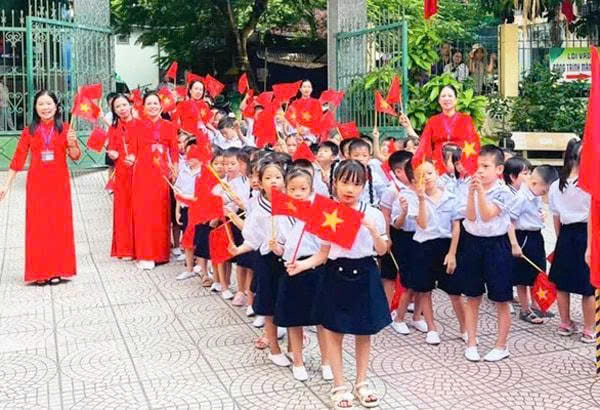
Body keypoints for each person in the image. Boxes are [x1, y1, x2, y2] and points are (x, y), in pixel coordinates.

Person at [287, 160, 391, 409]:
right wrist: (302, 265)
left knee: (364, 331)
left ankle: (362, 382)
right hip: (335, 273)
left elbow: (382, 250)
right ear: (334, 183)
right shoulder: (328, 212)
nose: (350, 189)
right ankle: (339, 385)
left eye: (356, 184)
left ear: (364, 185)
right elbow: (323, 253)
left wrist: (373, 231)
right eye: (344, 182)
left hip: (365, 272)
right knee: (334, 331)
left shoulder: (373, 213)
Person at [0, 90, 81, 285]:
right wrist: (6, 185)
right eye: (41, 104)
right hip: (37, 185)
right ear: (35, 108)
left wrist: (72, 144)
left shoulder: (66, 128)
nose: (45, 108)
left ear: (56, 106)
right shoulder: (29, 131)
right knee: (38, 227)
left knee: (59, 226)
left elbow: (76, 156)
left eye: (49, 103)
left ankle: (58, 270)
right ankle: (40, 272)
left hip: (59, 184)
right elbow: (18, 158)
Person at [229, 159, 291, 367]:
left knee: (289, 303)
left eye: (278, 177)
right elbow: (252, 238)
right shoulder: (258, 206)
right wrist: (238, 250)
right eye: (268, 178)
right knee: (269, 305)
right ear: (260, 182)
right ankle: (274, 348)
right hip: (268, 261)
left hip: (289, 260)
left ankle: (294, 348)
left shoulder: (292, 202)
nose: (274, 181)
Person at [272, 168, 331, 381]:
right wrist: (276, 247)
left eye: (303, 189)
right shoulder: (281, 215)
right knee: (294, 319)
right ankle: (298, 361)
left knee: (322, 320)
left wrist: (307, 264)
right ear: (286, 190)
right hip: (291, 269)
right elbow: (281, 248)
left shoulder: (319, 214)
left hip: (315, 268)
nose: (298, 193)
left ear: (311, 190)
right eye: (293, 189)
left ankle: (327, 361)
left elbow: (324, 249)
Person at [458, 145, 514, 362]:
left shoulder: (503, 191)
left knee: (501, 297)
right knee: (472, 296)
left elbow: (489, 214)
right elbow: (471, 217)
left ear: (499, 169)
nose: (480, 170)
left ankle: (501, 346)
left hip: (496, 245)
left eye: (485, 166)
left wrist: (480, 192)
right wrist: (472, 193)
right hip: (472, 243)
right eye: (477, 166)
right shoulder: (468, 185)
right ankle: (471, 342)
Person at [548, 139, 594, 343]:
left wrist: (561, 240)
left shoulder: (556, 185)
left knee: (562, 283)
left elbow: (556, 217)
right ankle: (589, 329)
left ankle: (565, 323)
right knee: (588, 286)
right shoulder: (590, 185)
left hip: (565, 235)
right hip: (586, 234)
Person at [131, 92, 179, 270]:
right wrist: (129, 158)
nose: (152, 106)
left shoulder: (169, 126)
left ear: (161, 106)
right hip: (143, 173)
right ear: (143, 107)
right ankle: (145, 253)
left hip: (162, 173)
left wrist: (175, 167)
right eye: (149, 103)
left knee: (161, 212)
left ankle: (161, 253)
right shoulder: (137, 125)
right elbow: (132, 150)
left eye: (155, 103)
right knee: (144, 213)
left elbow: (174, 150)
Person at [508, 164, 558, 325]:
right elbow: (509, 221)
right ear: (535, 183)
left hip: (536, 236)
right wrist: (514, 244)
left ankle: (536, 305)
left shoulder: (534, 195)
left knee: (538, 271)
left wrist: (539, 216)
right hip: (523, 238)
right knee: (523, 275)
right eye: (544, 191)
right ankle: (525, 309)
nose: (544, 194)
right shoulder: (521, 198)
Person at [404, 85, 480, 176]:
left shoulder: (466, 120)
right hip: (438, 165)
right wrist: (409, 127)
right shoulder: (433, 121)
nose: (446, 99)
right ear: (439, 101)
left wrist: (467, 166)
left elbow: (473, 143)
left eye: (450, 96)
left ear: (456, 100)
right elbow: (424, 144)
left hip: (461, 164)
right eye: (443, 96)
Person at [106, 94, 138, 260]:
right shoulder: (113, 128)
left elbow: (145, 147)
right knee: (123, 209)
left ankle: (140, 247)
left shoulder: (140, 125)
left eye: (124, 105)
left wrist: (135, 156)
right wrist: (113, 153)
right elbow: (111, 148)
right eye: (117, 107)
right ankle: (125, 248)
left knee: (138, 209)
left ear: (130, 105)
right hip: (122, 173)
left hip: (139, 171)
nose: (122, 109)